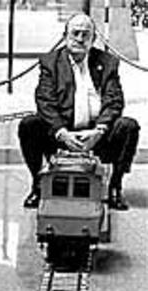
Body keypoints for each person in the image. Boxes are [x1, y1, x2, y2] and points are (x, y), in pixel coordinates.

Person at [18, 12, 140, 211]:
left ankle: (115, 186)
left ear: (93, 39)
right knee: (29, 125)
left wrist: (99, 130)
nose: (80, 39)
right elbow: (45, 100)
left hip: (96, 134)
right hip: (61, 133)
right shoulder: (51, 63)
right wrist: (62, 132)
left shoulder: (108, 62)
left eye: (86, 34)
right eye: (75, 33)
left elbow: (114, 100)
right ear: (65, 36)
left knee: (128, 127)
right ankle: (38, 184)